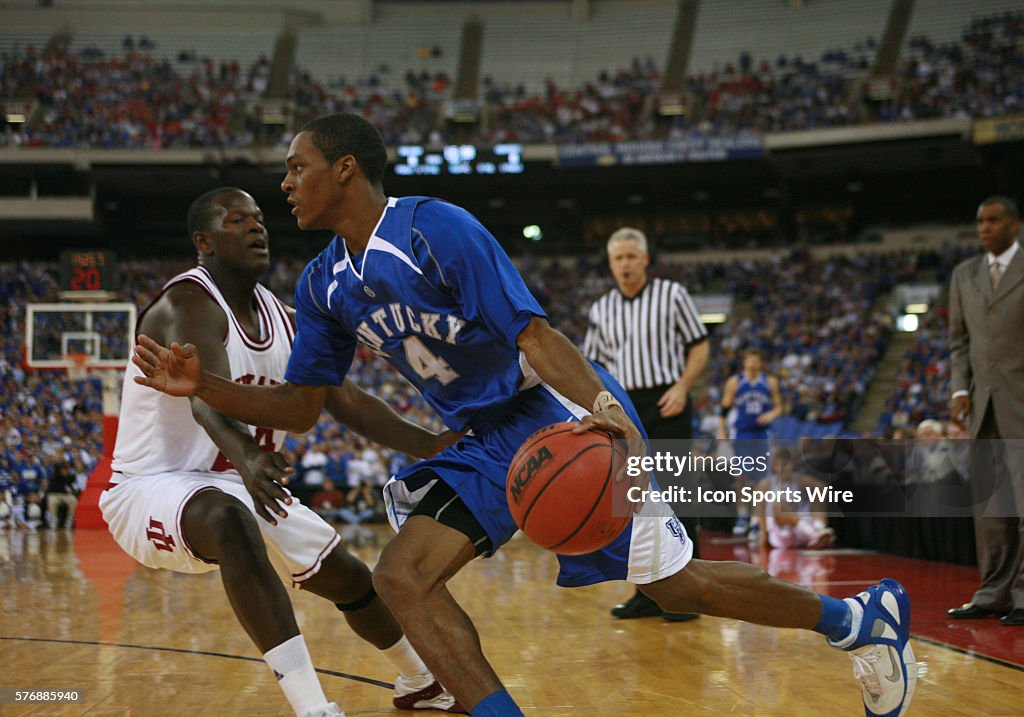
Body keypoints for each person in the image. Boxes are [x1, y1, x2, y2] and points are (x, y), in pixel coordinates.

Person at [131, 113, 918, 717]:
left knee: (679, 585)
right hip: (480, 443)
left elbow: (534, 336)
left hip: (551, 416)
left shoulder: (436, 228)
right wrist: (204, 387)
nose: (286, 186)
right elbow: (304, 408)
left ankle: (855, 618)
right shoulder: (322, 284)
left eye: (297, 169)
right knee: (403, 579)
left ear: (345, 170)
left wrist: (613, 415)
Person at [99, 187, 463, 716]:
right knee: (229, 519)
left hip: (241, 481)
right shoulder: (186, 304)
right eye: (237, 219)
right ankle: (313, 708)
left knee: (349, 577)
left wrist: (428, 443)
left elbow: (346, 400)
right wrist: (246, 454)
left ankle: (421, 681)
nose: (256, 227)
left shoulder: (287, 318)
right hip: (149, 488)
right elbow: (205, 399)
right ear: (204, 241)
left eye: (259, 218)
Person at [583, 226, 709, 622]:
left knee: (678, 497)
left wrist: (684, 386)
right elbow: (592, 366)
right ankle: (647, 592)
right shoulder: (601, 308)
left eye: (630, 257)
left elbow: (700, 344)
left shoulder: (672, 295)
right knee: (634, 501)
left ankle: (692, 594)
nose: (624, 264)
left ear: (645, 259)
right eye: (618, 258)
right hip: (626, 407)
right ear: (610, 263)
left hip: (667, 400)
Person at [947, 195, 1024, 627]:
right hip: (982, 408)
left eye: (994, 220)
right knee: (992, 510)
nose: (985, 228)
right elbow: (959, 344)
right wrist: (960, 388)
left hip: (1021, 404)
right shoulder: (964, 275)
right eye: (980, 222)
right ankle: (993, 592)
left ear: (1015, 225)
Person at [718, 348, 783, 538]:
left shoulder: (769, 382)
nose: (752, 364)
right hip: (742, 433)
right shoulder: (735, 382)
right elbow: (723, 409)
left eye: (756, 360)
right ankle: (742, 517)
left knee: (762, 479)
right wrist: (721, 431)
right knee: (742, 477)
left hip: (762, 434)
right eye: (749, 360)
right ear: (745, 362)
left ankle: (757, 519)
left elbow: (780, 406)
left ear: (761, 363)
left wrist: (771, 414)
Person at [753, 448, 834, 551]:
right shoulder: (766, 484)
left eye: (787, 464)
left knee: (818, 491)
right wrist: (763, 536)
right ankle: (814, 534)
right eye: (781, 464)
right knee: (779, 505)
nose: (784, 468)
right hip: (782, 535)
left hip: (801, 532)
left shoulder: (800, 480)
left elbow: (822, 487)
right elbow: (759, 510)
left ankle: (819, 528)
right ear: (774, 466)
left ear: (793, 465)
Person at [43, 460, 79, 529]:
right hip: (54, 494)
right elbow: (51, 490)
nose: (65, 471)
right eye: (63, 470)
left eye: (66, 470)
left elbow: (72, 483)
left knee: (73, 500)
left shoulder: (68, 477)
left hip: (64, 495)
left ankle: (70, 519)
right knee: (53, 501)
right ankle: (54, 519)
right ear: (59, 470)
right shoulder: (54, 477)